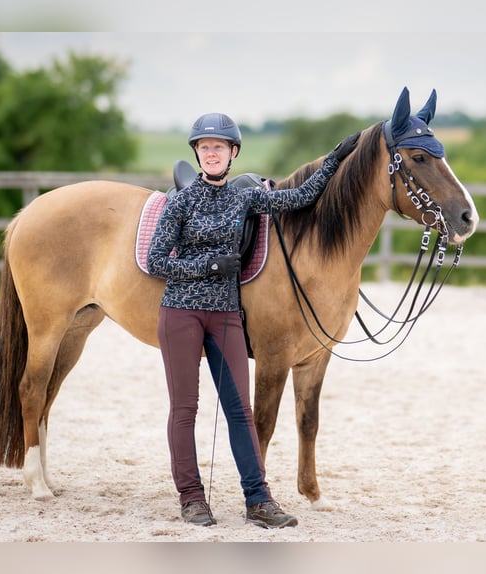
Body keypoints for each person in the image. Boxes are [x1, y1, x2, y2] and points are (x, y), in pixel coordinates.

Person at [146, 112, 359, 528]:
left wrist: (335, 159)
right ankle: (192, 498)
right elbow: (157, 261)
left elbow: (300, 197)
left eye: (218, 147)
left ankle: (258, 501)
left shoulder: (245, 198)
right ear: (197, 153)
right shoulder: (180, 202)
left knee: (240, 411)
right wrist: (209, 266)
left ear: (232, 153)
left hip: (225, 316)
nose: (211, 153)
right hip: (182, 313)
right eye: (204, 147)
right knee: (185, 408)